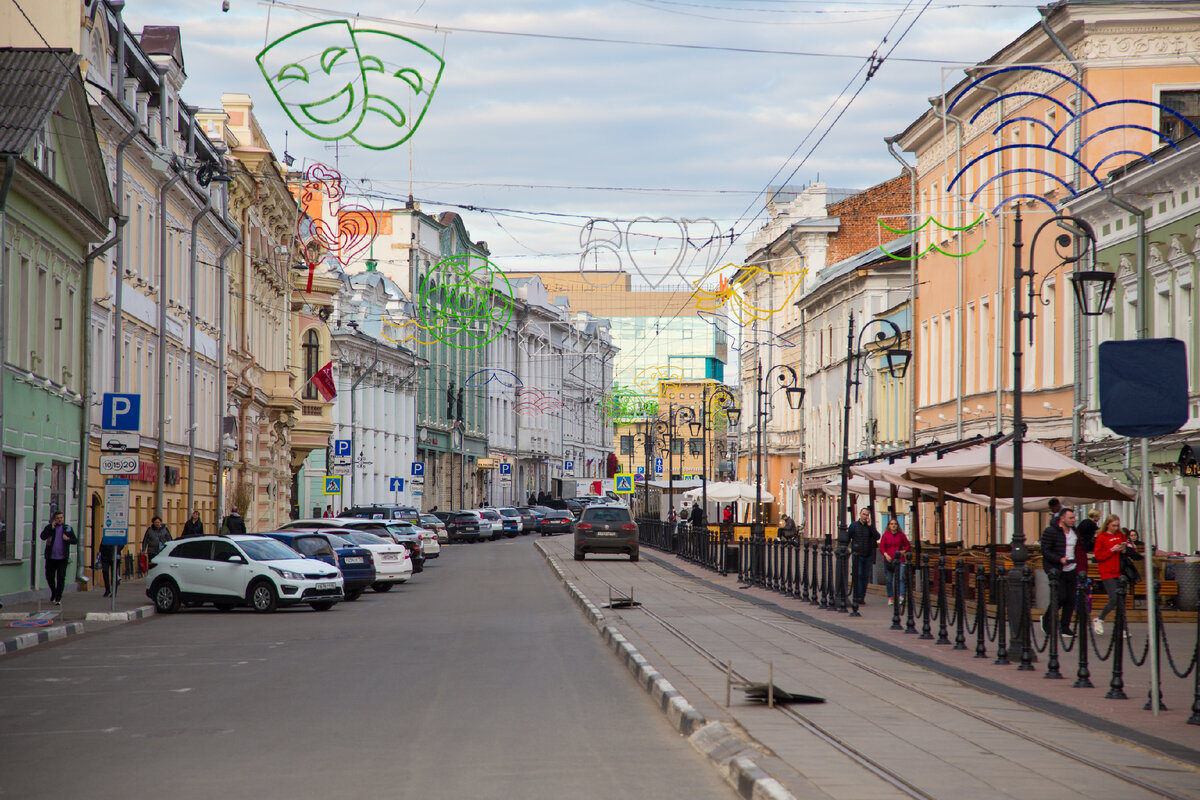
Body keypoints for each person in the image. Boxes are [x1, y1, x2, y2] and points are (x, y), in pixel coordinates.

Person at [1040, 507, 1084, 636]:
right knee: (1060, 596)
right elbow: (1045, 550)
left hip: (1071, 568)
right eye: (1070, 518)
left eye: (1074, 518)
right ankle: (1047, 620)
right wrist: (1060, 559)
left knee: (1070, 599)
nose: (1073, 520)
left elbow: (1079, 548)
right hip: (1056, 569)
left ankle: (1065, 627)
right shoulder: (1051, 531)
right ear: (1062, 518)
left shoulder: (1074, 532)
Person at [1092, 514, 1130, 636]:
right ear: (1107, 524)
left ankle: (1123, 628)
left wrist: (1124, 549)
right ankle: (1100, 618)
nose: (1115, 528)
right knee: (1114, 598)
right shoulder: (1102, 537)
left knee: (1122, 600)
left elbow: (1127, 550)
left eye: (1117, 525)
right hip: (1107, 571)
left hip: (1120, 570)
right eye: (1113, 525)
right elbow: (1098, 556)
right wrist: (1112, 550)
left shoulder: (1121, 535)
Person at [39, 511, 76, 605]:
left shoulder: (67, 528)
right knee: (49, 577)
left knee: (61, 577)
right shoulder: (50, 527)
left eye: (61, 517)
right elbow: (42, 537)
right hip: (51, 557)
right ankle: (54, 592)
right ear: (54, 519)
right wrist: (50, 528)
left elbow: (75, 540)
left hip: (62, 558)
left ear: (63, 518)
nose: (60, 519)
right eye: (58, 518)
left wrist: (67, 539)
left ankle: (58, 597)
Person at [847, 507, 880, 604]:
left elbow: (877, 537)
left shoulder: (870, 526)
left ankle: (862, 596)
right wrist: (848, 550)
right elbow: (848, 537)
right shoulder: (853, 525)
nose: (865, 516)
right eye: (864, 514)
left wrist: (871, 527)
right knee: (859, 575)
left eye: (867, 515)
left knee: (865, 576)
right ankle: (857, 596)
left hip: (868, 554)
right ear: (860, 514)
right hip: (857, 555)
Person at [879, 517, 911, 606]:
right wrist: (885, 555)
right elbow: (881, 547)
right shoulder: (885, 535)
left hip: (900, 559)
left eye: (895, 524)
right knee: (889, 579)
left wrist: (903, 551)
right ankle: (890, 597)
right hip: (889, 559)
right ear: (889, 526)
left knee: (900, 578)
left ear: (897, 525)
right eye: (891, 524)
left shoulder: (901, 535)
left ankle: (901, 596)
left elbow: (908, 545)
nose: (893, 525)